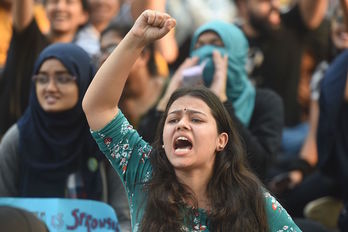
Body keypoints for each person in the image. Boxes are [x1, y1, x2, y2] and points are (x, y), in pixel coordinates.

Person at [83, 10, 301, 231]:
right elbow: (98, 107)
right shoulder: (144, 171)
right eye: (172, 119)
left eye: (196, 119)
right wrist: (135, 39)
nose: (182, 124)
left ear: (221, 140)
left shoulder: (251, 197)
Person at [0, 43, 131, 231]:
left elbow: (125, 217)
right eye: (42, 79)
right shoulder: (18, 138)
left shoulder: (105, 137)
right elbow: (4, 212)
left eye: (62, 79)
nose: (50, 88)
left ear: (86, 82)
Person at [138, 20, 283, 181]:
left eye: (216, 44)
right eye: (199, 46)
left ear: (238, 51)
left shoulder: (265, 102)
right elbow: (143, 153)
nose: (206, 51)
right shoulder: (183, 104)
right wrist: (169, 97)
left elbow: (260, 164)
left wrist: (221, 101)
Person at [234, 0, 328, 157]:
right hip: (243, 136)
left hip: (291, 136)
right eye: (263, 1)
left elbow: (313, 7)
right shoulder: (228, 38)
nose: (274, 4)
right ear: (242, 6)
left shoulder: (290, 26)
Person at [0, 0, 89, 139]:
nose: (60, 7)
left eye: (69, 2)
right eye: (54, 1)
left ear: (84, 15)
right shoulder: (29, 42)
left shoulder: (86, 61)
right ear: (44, 9)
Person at [99, 22, 167, 128]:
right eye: (101, 52)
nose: (103, 58)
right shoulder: (104, 100)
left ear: (143, 56)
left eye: (112, 49)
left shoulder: (172, 91)